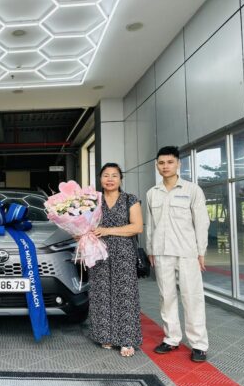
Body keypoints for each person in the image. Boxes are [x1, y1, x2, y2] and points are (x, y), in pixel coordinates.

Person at [146, 146, 209, 362]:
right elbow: (150, 225)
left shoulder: (192, 190)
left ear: (178, 164)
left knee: (192, 297)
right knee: (167, 297)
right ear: (157, 165)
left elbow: (202, 223)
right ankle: (171, 338)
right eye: (161, 163)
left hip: (187, 252)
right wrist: (150, 249)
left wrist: (201, 251)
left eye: (170, 162)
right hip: (162, 252)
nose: (165, 166)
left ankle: (199, 344)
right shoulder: (152, 193)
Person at [89, 163, 144, 357]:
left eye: (114, 175)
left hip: (124, 254)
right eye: (106, 175)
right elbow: (85, 225)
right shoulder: (93, 201)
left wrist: (107, 231)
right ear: (100, 178)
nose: (110, 179)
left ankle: (127, 339)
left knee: (125, 295)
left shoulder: (130, 199)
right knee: (101, 294)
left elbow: (137, 227)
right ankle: (105, 335)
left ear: (120, 179)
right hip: (98, 253)